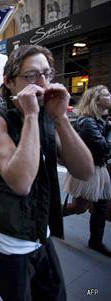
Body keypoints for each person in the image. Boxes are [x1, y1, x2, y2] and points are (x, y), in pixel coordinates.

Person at [0, 45, 94, 300]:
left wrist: (60, 118)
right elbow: (21, 183)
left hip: (42, 235)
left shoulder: (48, 117)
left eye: (47, 73)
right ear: (9, 82)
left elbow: (85, 171)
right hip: (9, 246)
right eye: (31, 76)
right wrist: (31, 115)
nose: (42, 82)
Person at [63, 85, 111, 257]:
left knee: (101, 206)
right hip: (87, 169)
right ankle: (48, 219)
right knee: (79, 207)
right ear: (95, 100)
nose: (110, 96)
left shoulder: (101, 120)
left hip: (99, 168)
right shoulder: (88, 122)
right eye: (106, 94)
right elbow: (104, 148)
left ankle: (95, 241)